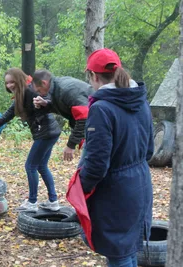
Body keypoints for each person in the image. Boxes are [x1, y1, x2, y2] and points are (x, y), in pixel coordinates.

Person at [72, 48, 154, 267]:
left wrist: (83, 189)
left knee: (119, 254)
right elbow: (150, 151)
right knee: (127, 250)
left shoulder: (101, 109)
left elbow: (97, 164)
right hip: (140, 183)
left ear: (94, 76)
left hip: (116, 191)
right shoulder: (140, 100)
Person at [0, 68, 61, 212]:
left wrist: (43, 106)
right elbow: (7, 115)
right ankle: (53, 201)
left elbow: (48, 100)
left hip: (45, 132)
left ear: (19, 79)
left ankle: (32, 202)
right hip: (49, 131)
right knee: (41, 166)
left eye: (12, 82)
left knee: (30, 166)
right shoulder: (21, 95)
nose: (9, 86)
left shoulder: (30, 92)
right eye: (7, 83)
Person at [32, 69, 94, 161]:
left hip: (97, 129)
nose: (39, 93)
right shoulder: (57, 87)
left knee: (91, 168)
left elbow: (84, 117)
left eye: (39, 90)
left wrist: (71, 145)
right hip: (92, 129)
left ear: (44, 83)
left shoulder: (66, 89)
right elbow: (65, 106)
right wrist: (46, 104)